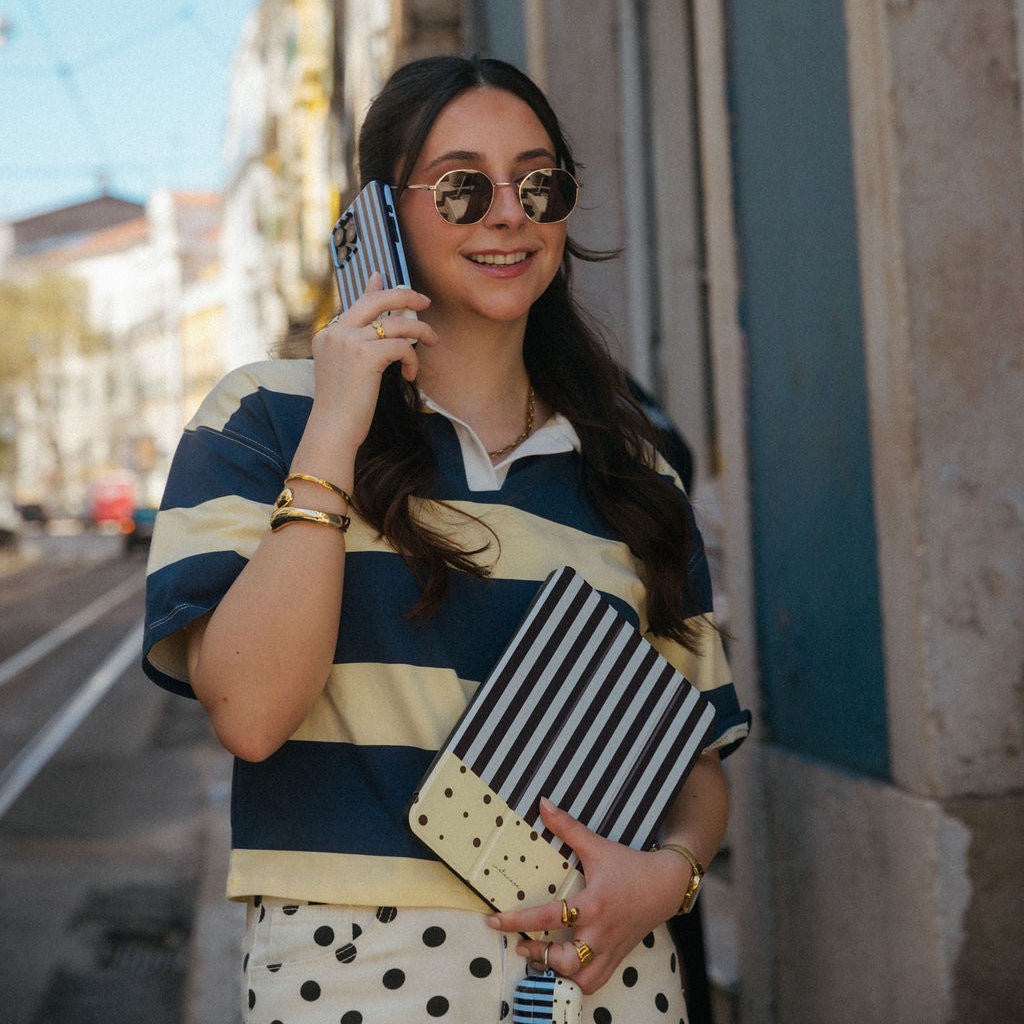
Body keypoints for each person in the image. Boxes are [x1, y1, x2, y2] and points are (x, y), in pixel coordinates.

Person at [143, 54, 750, 1024]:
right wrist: (338, 424)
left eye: (537, 181)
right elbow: (251, 713)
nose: (509, 211)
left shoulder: (634, 467)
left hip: (606, 979)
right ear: (380, 216)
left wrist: (667, 879)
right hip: (348, 978)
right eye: (463, 186)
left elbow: (697, 758)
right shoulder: (261, 417)